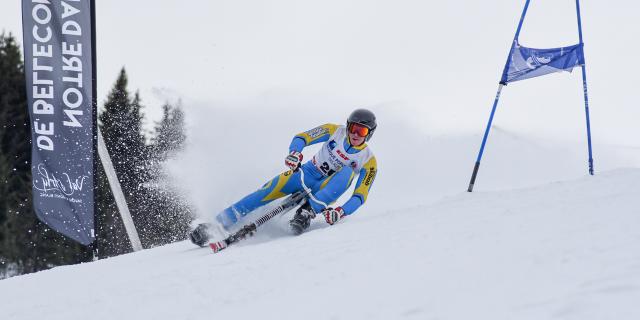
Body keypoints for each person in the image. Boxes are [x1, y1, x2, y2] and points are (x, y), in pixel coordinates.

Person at [190, 108, 378, 246]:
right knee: (265, 192)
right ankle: (217, 225)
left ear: (369, 134)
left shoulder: (368, 160)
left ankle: (306, 212)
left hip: (326, 189)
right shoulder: (333, 131)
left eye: (361, 131)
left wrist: (341, 211)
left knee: (347, 172)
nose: (354, 134)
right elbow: (302, 137)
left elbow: (360, 196)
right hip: (305, 174)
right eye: (352, 128)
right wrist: (294, 153)